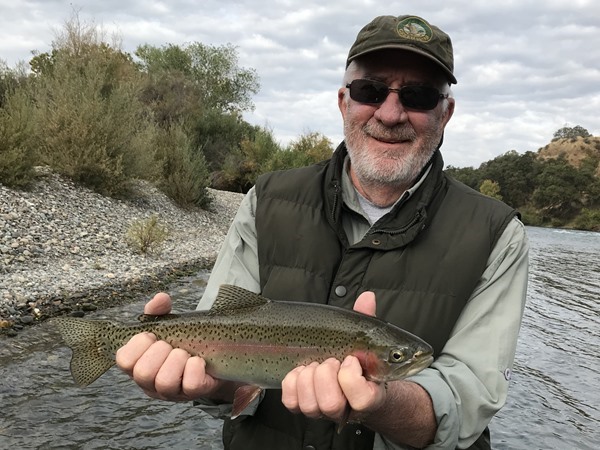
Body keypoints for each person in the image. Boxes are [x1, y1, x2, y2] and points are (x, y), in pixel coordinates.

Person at [116, 14, 528, 450]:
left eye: (419, 95)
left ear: (445, 114)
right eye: (370, 91)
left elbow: (467, 403)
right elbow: (223, 356)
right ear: (342, 101)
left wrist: (379, 404)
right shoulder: (265, 199)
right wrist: (196, 382)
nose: (390, 114)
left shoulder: (497, 235)